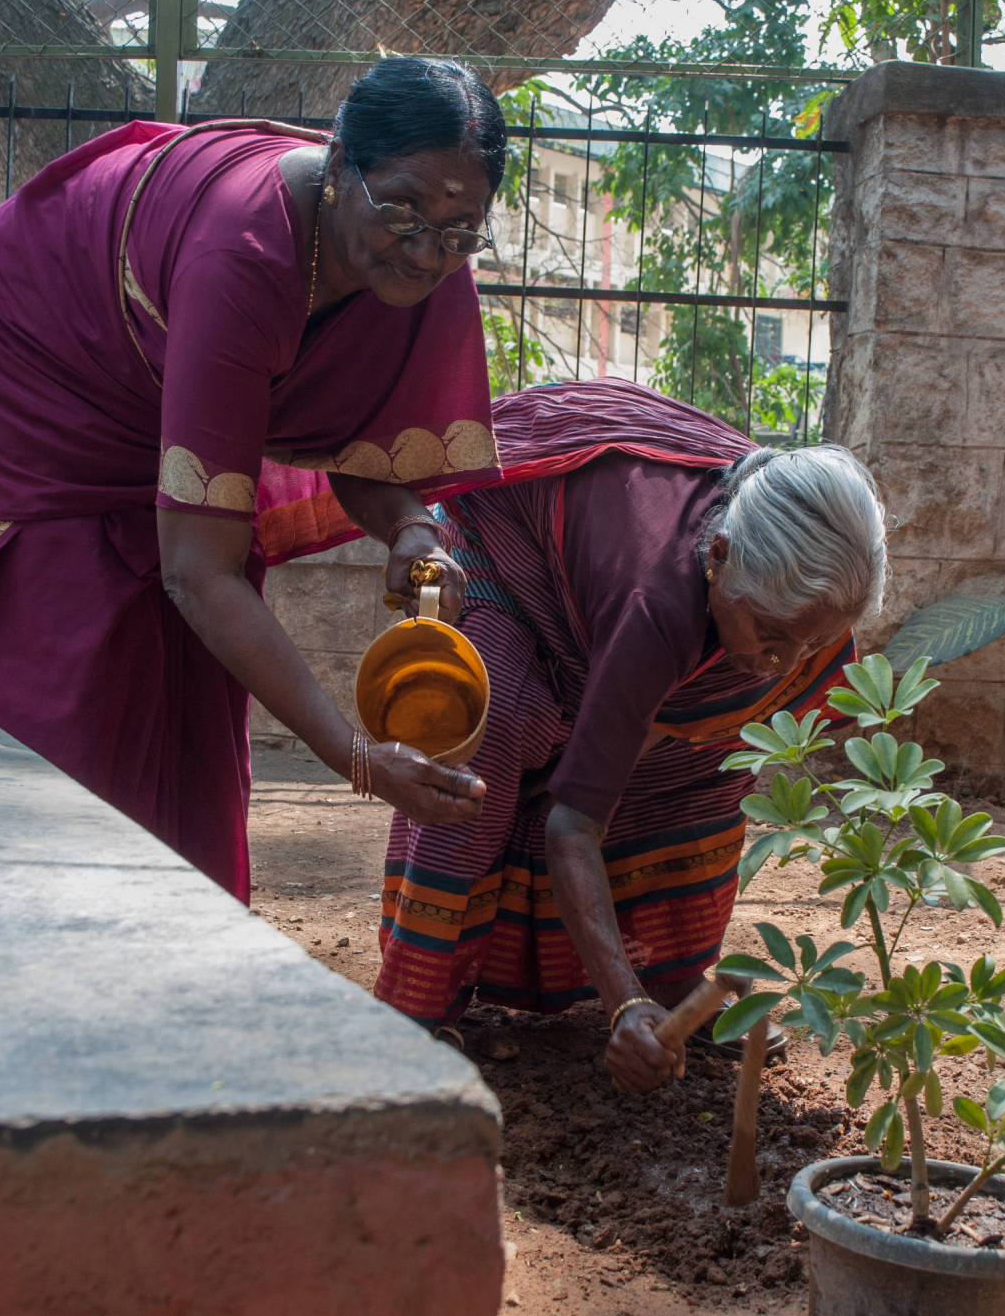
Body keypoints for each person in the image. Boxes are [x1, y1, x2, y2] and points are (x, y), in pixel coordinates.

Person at [0, 58, 510, 899]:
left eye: (461, 228)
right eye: (404, 209)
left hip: (169, 348)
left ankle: (178, 917)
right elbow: (197, 571)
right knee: (79, 635)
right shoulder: (244, 255)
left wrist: (416, 530)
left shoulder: (427, 262)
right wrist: (351, 754)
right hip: (44, 340)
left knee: (193, 686)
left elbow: (360, 446)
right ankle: (43, 909)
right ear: (341, 164)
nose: (426, 251)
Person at [372, 379, 887, 1093]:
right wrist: (624, 1006)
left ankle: (671, 977)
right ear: (718, 556)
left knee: (708, 744)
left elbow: (791, 649)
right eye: (770, 636)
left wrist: (785, 645)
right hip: (507, 543)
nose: (784, 664)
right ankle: (416, 1014)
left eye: (812, 640)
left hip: (614, 590)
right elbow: (571, 826)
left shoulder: (793, 577)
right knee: (487, 742)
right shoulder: (658, 606)